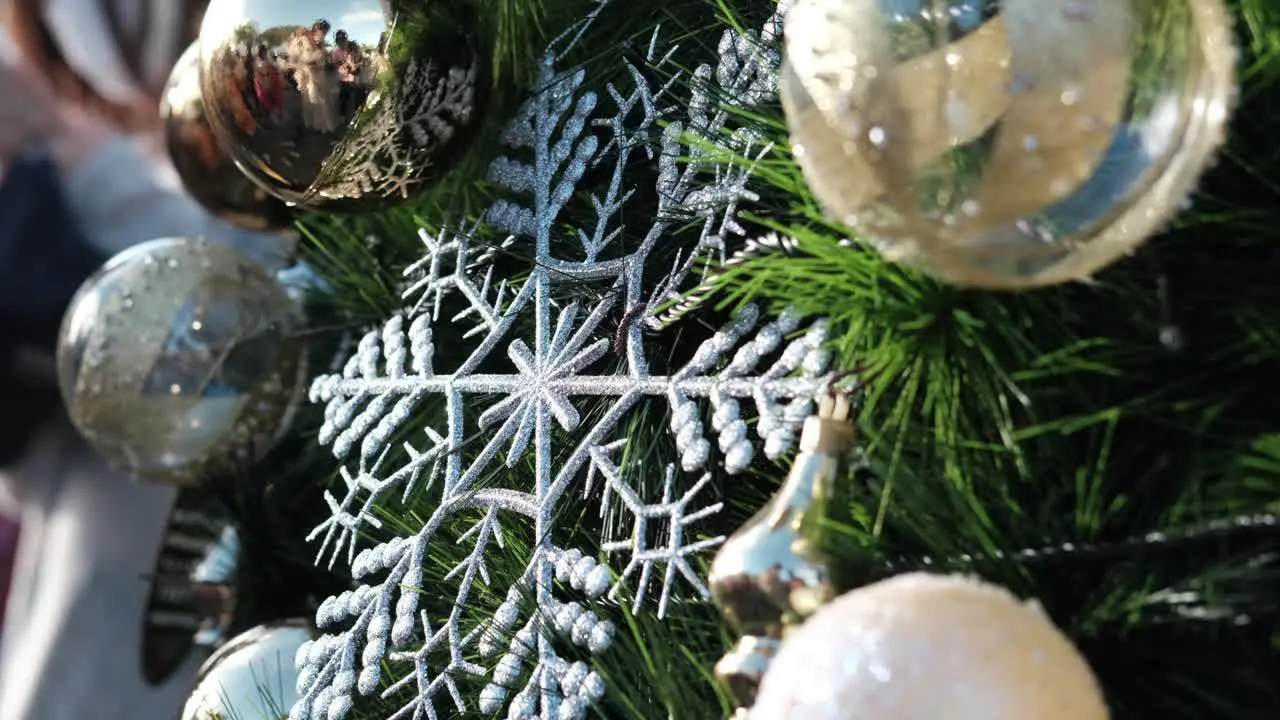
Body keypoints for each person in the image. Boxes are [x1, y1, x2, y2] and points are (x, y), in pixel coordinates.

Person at [0, 0, 294, 717]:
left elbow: (251, 331)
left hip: (257, 639)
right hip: (89, 626)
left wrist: (83, 160)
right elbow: (35, 462)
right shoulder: (56, 145)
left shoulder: (270, 118)